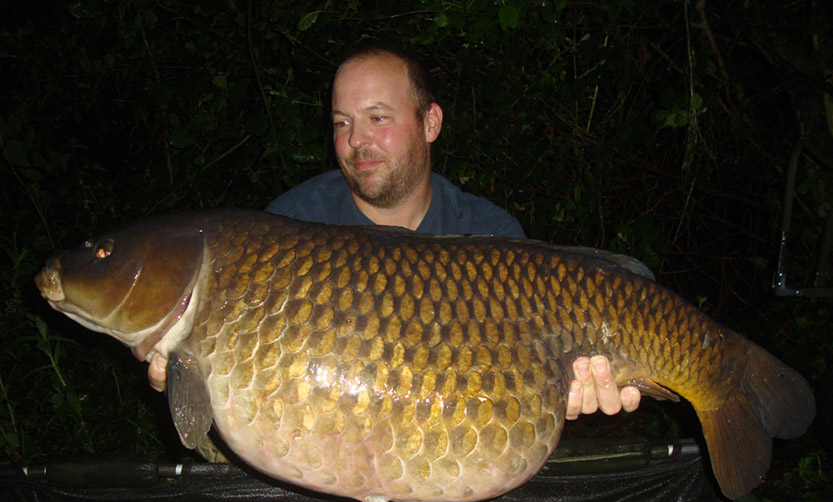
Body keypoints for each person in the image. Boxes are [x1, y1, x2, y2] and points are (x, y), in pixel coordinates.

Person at [147, 45, 641, 419]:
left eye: (377, 118)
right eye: (342, 123)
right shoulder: (288, 229)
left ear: (430, 122)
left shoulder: (488, 236)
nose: (355, 141)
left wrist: (565, 396)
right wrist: (193, 380)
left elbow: (510, 403)